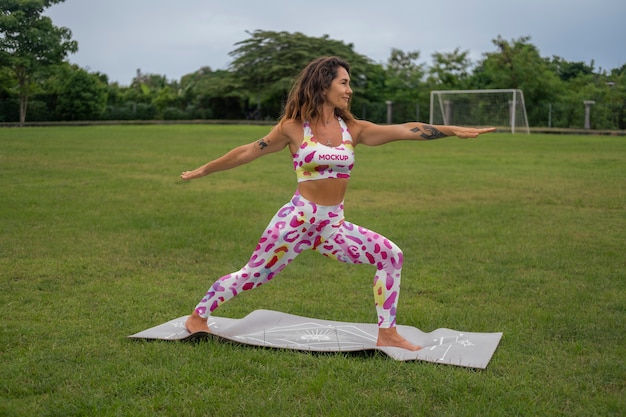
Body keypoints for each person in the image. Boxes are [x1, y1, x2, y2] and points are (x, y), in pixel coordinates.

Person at [181, 56, 495, 351]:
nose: (349, 90)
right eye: (343, 83)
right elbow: (249, 150)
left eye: (349, 83)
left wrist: (451, 130)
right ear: (323, 85)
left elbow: (404, 130)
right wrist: (205, 169)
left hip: (332, 227)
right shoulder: (293, 127)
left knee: (391, 256)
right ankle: (198, 316)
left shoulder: (352, 129)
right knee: (253, 275)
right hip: (296, 223)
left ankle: (387, 334)